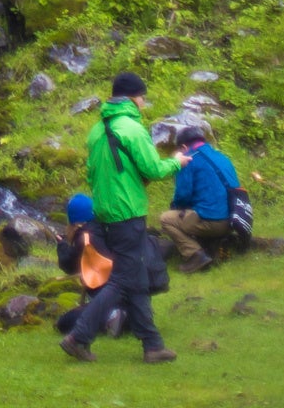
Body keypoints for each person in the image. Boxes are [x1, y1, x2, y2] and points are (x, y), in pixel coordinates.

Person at [61, 72, 189, 365]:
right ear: (133, 97)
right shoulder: (132, 128)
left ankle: (153, 346)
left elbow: (90, 174)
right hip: (128, 213)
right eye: (143, 97)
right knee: (121, 280)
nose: (144, 103)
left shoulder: (96, 131)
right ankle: (77, 337)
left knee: (136, 278)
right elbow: (154, 169)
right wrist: (177, 162)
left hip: (105, 213)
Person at [160, 125, 240, 273]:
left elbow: (182, 196)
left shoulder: (188, 159)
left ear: (183, 147)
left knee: (166, 219)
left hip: (213, 222)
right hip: (233, 220)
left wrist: (176, 207)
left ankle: (195, 255)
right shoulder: (221, 157)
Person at [54, 193, 124, 338]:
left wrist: (62, 246)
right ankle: (123, 316)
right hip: (127, 291)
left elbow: (68, 264)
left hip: (108, 296)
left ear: (76, 223)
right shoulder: (104, 229)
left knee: (64, 323)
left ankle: (110, 316)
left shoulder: (84, 239)